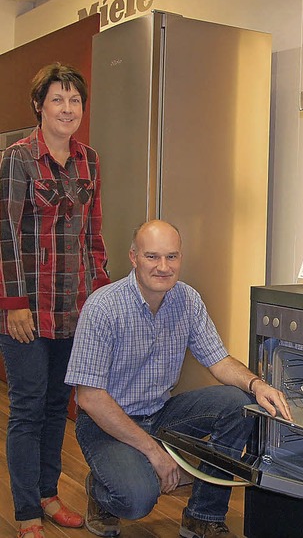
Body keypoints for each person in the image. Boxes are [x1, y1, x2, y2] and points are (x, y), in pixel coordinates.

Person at [65, 219, 291, 538]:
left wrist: (258, 385)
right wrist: (154, 453)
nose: (163, 267)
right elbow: (90, 398)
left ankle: (202, 515)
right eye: (152, 256)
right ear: (133, 257)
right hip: (106, 422)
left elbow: (220, 361)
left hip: (159, 413)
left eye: (172, 257)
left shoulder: (187, 300)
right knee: (136, 499)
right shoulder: (103, 307)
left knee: (241, 403)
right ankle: (101, 492)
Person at [0, 63, 110, 538]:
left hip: (75, 308)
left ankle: (48, 494)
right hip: (27, 309)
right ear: (39, 106)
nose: (67, 109)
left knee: (55, 405)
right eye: (58, 100)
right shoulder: (17, 158)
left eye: (75, 101)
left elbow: (93, 235)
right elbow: (5, 236)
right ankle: (26, 510)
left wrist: (102, 295)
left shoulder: (90, 160)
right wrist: (13, 304)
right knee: (27, 408)